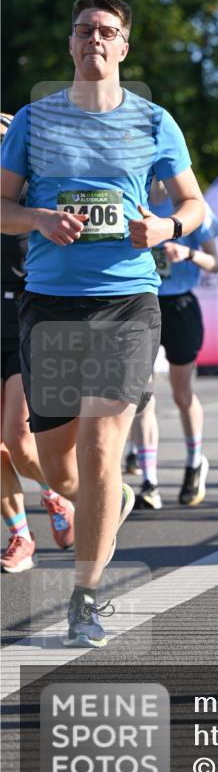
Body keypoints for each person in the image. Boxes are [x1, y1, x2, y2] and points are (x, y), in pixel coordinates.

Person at [0, 0, 205, 645]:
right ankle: (98, 500)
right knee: (57, 466)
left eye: (107, 31)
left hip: (127, 300)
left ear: (123, 47)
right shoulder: (34, 120)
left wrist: (167, 224)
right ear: (70, 44)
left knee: (99, 446)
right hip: (50, 304)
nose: (94, 38)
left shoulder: (153, 121)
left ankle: (86, 594)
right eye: (83, 28)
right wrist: (36, 219)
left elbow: (193, 203)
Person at [1, 113, 75, 573]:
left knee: (17, 440)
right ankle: (20, 536)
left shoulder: (30, 195)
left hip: (23, 323)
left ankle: (58, 492)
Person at [129, 180, 218, 510]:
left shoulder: (194, 205)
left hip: (180, 304)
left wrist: (188, 253)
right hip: (141, 303)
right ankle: (149, 481)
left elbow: (216, 262)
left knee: (182, 393)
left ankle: (195, 461)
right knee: (142, 396)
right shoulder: (133, 196)